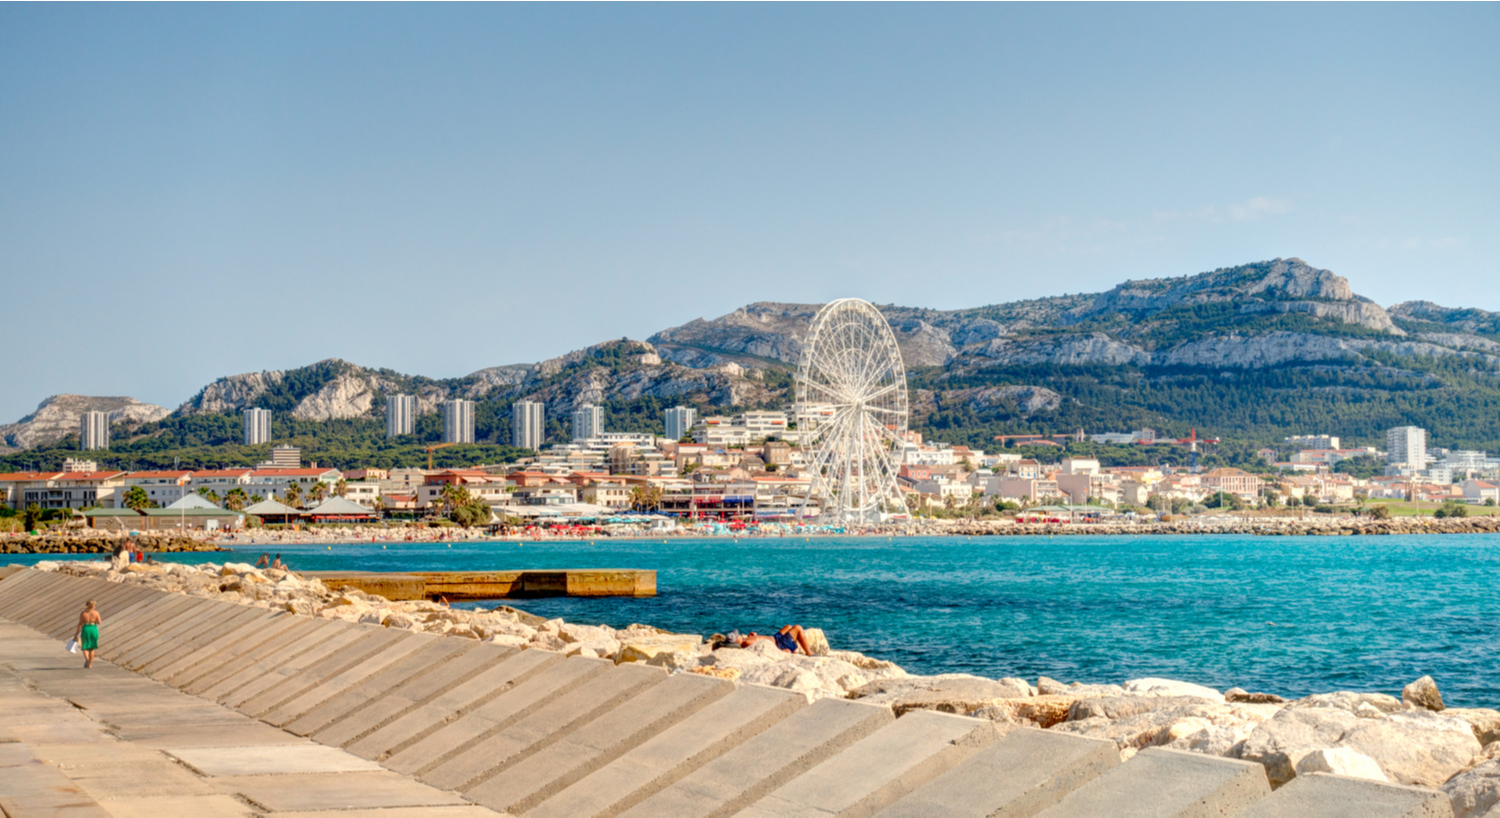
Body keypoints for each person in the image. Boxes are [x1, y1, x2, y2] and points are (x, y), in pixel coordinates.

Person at [737, 625, 813, 655]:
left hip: (775, 638)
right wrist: (781, 651)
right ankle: (810, 653)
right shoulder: (747, 643)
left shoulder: (745, 640)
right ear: (737, 641)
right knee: (798, 628)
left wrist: (754, 636)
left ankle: (794, 650)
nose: (737, 635)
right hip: (779, 644)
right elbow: (763, 650)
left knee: (788, 627)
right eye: (736, 636)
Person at [75, 600, 101, 669]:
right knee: (92, 648)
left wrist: (76, 633)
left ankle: (87, 659)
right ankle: (90, 664)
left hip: (85, 628)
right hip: (93, 629)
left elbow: (80, 623)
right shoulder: (96, 613)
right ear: (93, 606)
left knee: (84, 646)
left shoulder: (83, 613)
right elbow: (99, 622)